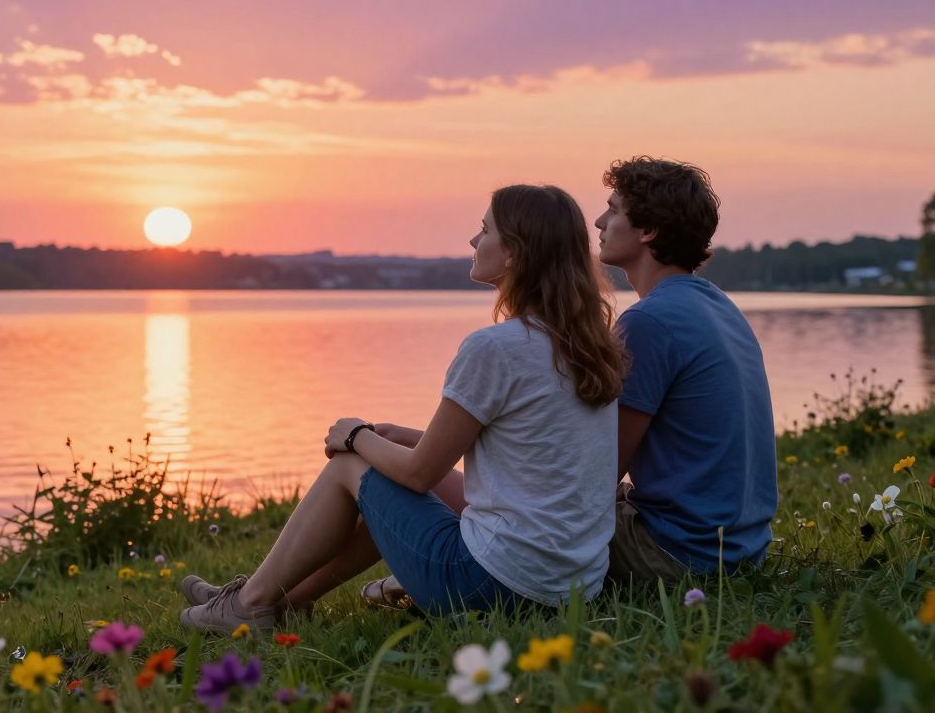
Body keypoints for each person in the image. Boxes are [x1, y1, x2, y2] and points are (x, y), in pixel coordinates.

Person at [178, 185, 627, 632]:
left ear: (513, 253)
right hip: (571, 589)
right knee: (385, 469)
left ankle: (249, 604)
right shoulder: (586, 345)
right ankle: (283, 598)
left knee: (350, 467)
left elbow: (419, 475)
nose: (473, 242)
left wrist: (358, 436)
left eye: (484, 230)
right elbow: (522, 446)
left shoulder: (494, 348)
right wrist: (405, 436)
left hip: (491, 585)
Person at [594, 156, 777, 582]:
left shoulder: (649, 322)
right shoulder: (717, 305)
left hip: (680, 553)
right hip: (741, 549)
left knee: (514, 518)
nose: (599, 221)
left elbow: (601, 470)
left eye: (614, 209)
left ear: (648, 230)